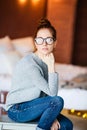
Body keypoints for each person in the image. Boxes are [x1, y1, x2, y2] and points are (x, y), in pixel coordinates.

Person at [4, 18, 73, 130]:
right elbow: (53, 94)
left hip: (35, 107)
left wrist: (52, 116)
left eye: (49, 40)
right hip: (18, 109)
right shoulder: (30, 63)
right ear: (35, 43)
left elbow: (47, 94)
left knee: (66, 125)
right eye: (40, 39)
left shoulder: (46, 60)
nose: (44, 43)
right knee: (58, 101)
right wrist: (52, 67)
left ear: (55, 43)